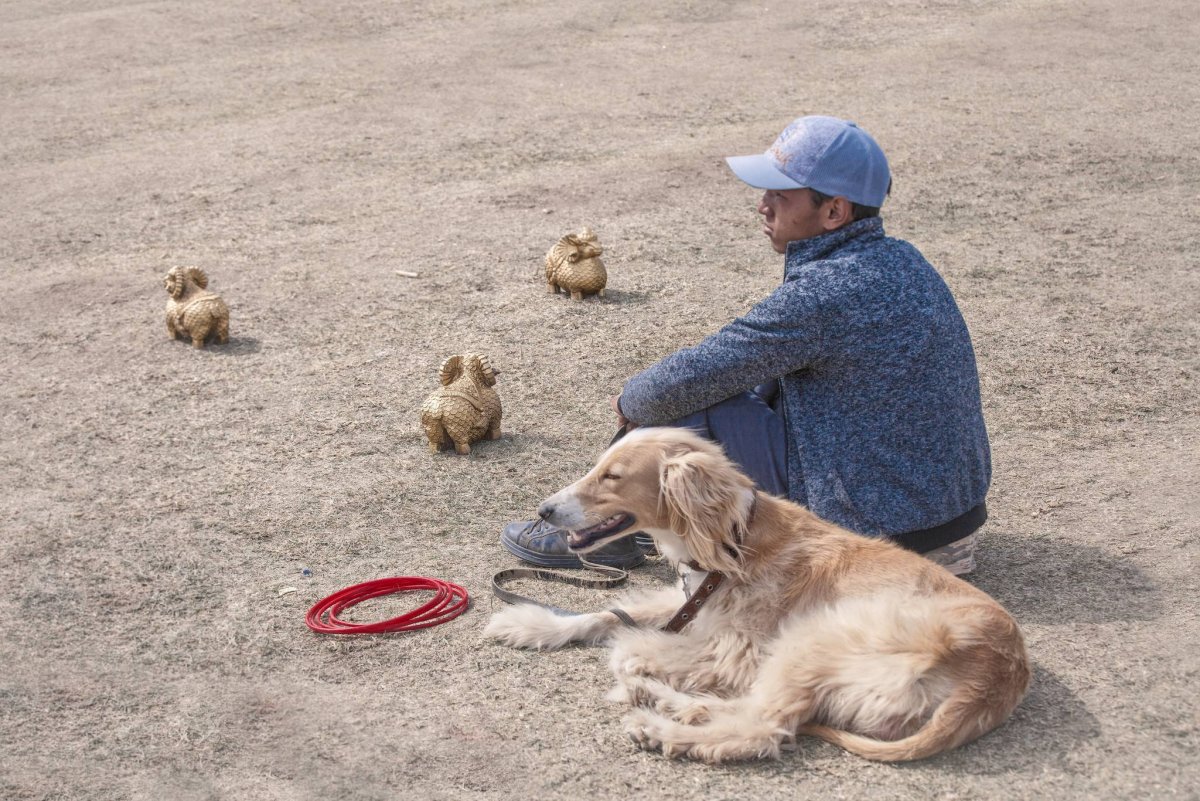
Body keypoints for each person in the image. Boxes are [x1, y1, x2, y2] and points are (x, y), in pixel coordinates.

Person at [501, 115, 990, 575]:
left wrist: (633, 400)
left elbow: (679, 385)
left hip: (877, 529)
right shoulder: (901, 259)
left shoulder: (826, 292)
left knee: (676, 414)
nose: (762, 204)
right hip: (946, 514)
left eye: (780, 194)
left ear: (835, 211)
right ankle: (642, 517)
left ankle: (601, 531)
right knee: (747, 386)